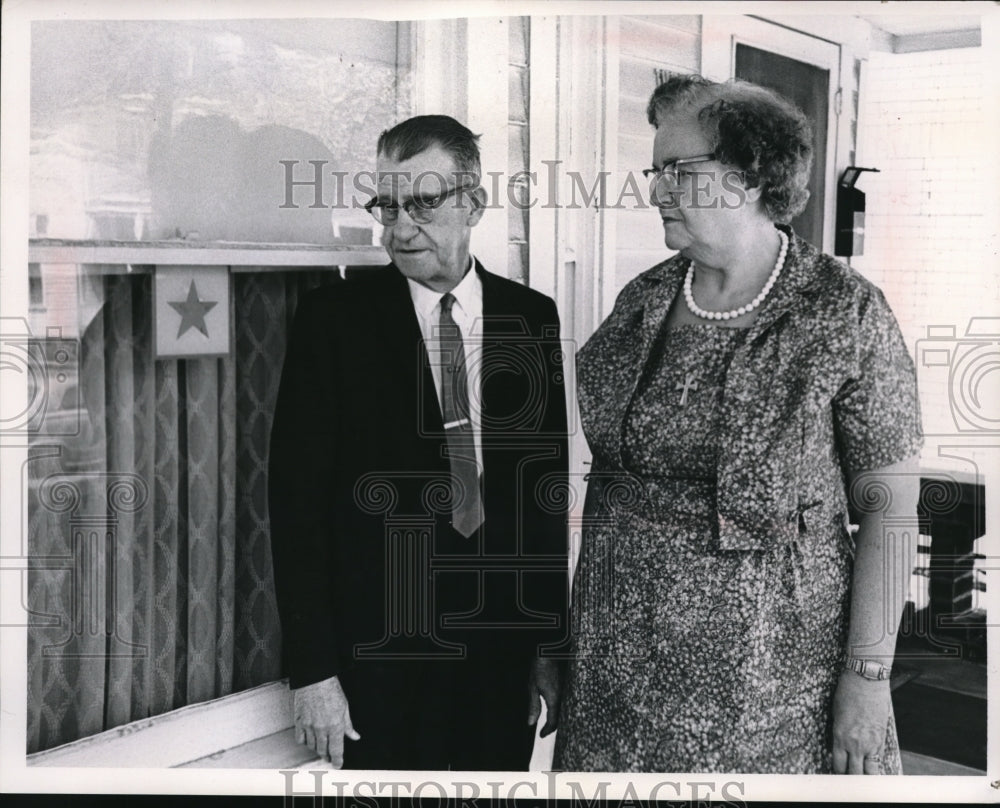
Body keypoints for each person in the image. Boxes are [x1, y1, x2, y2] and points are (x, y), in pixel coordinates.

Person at [553, 75, 923, 774]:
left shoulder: (843, 312)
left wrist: (868, 680)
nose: (656, 190)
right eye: (655, 171)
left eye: (678, 171)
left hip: (774, 679)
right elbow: (608, 481)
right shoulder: (645, 301)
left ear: (750, 175)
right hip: (619, 669)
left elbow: (891, 510)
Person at [268, 115, 568, 770]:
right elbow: (296, 508)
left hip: (498, 659)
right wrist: (313, 674)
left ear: (473, 204)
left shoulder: (530, 317)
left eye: (424, 203)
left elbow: (541, 499)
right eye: (387, 205)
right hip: (377, 660)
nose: (400, 228)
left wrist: (549, 646)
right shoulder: (333, 322)